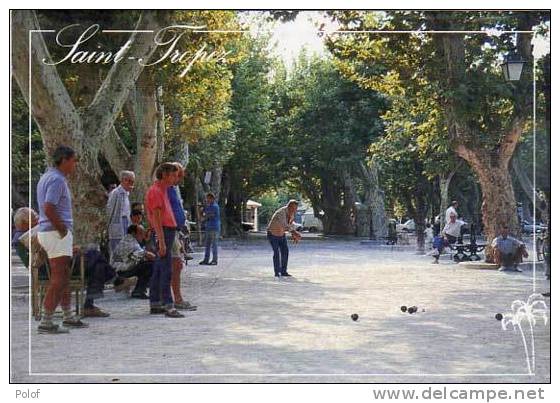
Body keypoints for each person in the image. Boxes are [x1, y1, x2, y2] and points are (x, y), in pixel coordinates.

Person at [36, 145, 87, 333]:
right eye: (73, 161)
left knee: (63, 274)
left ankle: (68, 315)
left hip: (48, 232)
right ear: (64, 160)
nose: (75, 165)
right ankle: (46, 320)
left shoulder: (46, 177)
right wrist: (62, 229)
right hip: (55, 232)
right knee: (58, 277)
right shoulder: (57, 180)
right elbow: (49, 207)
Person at [145, 162, 184, 318]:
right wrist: (161, 240)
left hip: (167, 230)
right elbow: (157, 218)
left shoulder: (163, 190)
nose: (176, 178)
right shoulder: (156, 191)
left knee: (159, 269)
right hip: (164, 231)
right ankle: (168, 304)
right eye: (173, 175)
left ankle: (155, 302)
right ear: (166, 175)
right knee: (166, 269)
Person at [167, 162, 197, 311]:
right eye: (178, 175)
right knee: (175, 265)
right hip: (168, 231)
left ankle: (175, 298)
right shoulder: (164, 189)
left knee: (176, 265)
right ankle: (175, 299)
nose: (180, 178)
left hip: (175, 231)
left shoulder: (174, 189)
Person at [111, 224, 156, 299]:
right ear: (133, 233)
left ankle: (137, 289)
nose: (143, 235)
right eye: (141, 233)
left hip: (120, 270)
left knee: (146, 264)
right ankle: (138, 291)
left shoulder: (128, 240)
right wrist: (160, 260)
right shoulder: (130, 242)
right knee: (150, 265)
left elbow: (141, 253)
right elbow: (145, 254)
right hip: (121, 272)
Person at [266, 200, 302, 278]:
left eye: (296, 208)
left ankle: (283, 271)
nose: (294, 210)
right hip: (272, 233)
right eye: (293, 208)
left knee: (285, 251)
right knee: (276, 252)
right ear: (289, 206)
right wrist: (294, 233)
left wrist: (295, 232)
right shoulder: (281, 212)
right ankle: (276, 272)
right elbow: (284, 225)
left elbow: (290, 223)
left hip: (281, 234)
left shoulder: (292, 213)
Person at [106, 170, 135, 255]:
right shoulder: (115, 193)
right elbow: (110, 211)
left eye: (133, 182)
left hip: (125, 227)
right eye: (130, 181)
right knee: (116, 255)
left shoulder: (126, 194)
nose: (132, 184)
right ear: (124, 180)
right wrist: (108, 228)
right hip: (116, 230)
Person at [199, 193, 221, 266]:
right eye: (206, 198)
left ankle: (214, 260)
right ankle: (206, 259)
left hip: (214, 227)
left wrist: (203, 218)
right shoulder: (208, 206)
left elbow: (209, 216)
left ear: (212, 199)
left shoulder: (215, 206)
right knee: (207, 244)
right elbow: (202, 214)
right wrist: (201, 211)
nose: (207, 200)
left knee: (214, 245)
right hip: (208, 227)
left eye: (208, 198)